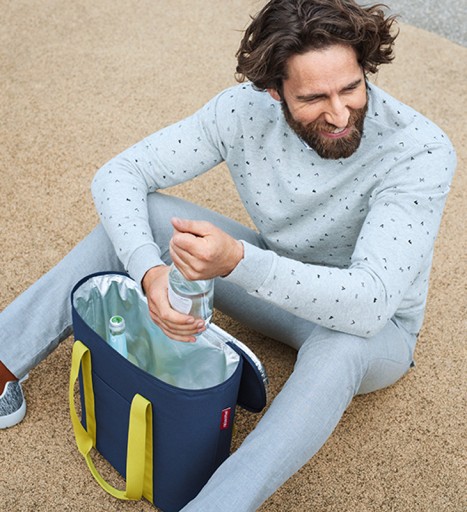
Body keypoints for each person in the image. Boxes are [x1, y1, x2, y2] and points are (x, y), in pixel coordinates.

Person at [0, 0, 456, 509]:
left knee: (340, 348)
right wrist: (148, 271)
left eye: (351, 87)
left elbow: (370, 303)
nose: (339, 113)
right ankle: (3, 358)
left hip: (374, 326)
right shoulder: (242, 109)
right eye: (312, 97)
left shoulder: (419, 150)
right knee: (145, 216)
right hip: (276, 280)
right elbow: (120, 174)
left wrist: (239, 261)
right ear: (273, 90)